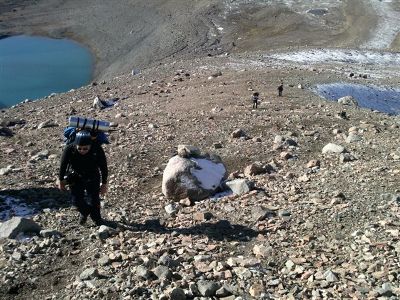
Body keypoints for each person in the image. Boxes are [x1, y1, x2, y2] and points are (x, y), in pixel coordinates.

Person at [58, 130, 108, 226]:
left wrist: (104, 184)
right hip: (75, 176)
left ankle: (97, 219)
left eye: (85, 148)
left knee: (94, 200)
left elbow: (103, 167)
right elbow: (63, 165)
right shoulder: (69, 149)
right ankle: (84, 212)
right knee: (76, 201)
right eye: (79, 148)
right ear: (75, 145)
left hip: (93, 175)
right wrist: (61, 180)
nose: (82, 151)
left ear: (90, 145)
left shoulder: (97, 149)